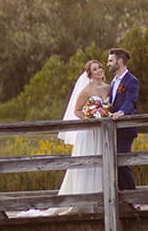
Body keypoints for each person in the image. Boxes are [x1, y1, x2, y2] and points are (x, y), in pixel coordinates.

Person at [58, 59, 107, 198]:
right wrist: (90, 119)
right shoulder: (87, 89)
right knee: (88, 164)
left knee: (102, 164)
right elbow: (77, 110)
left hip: (103, 131)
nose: (99, 70)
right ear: (90, 74)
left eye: (100, 67)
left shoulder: (108, 88)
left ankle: (102, 196)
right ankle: (83, 198)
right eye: (95, 69)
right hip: (89, 132)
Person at [106, 48, 139, 190]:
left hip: (126, 129)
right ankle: (123, 197)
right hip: (114, 129)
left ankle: (134, 198)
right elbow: (112, 102)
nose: (108, 64)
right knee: (114, 163)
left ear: (120, 61)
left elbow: (130, 101)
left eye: (110, 60)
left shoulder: (131, 80)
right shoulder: (114, 81)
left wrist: (121, 112)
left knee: (122, 162)